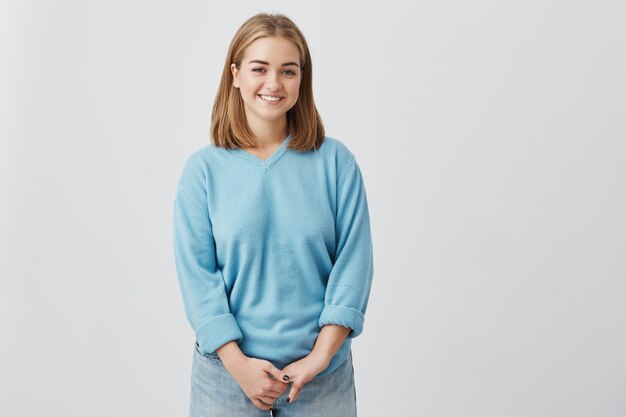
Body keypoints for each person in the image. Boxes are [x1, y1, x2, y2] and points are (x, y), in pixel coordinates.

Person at [172, 12, 374, 417]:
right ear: (235, 75)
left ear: (303, 78)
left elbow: (354, 265)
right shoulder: (203, 171)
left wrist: (320, 356)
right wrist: (238, 365)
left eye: (288, 71)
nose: (273, 84)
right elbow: (198, 278)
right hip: (226, 379)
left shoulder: (336, 163)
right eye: (259, 69)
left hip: (321, 378)